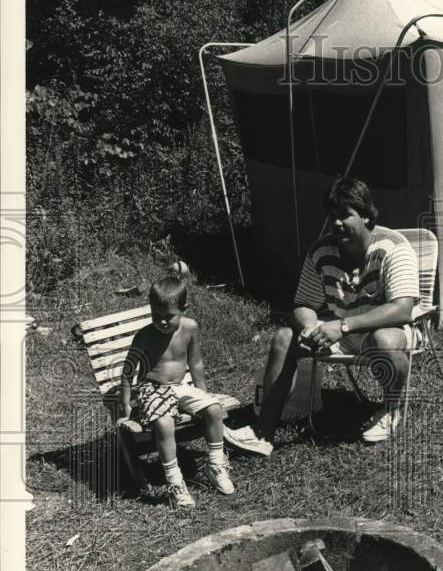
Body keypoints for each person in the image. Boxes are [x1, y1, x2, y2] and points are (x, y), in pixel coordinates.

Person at [236, 176, 420, 455]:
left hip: (386, 328)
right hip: (342, 329)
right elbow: (302, 304)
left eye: (345, 215)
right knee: (285, 337)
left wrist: (343, 326)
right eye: (332, 216)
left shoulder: (394, 248)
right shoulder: (322, 250)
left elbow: (402, 309)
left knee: (383, 341)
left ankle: (391, 409)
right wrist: (311, 328)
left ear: (367, 217)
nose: (336, 223)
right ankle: (263, 432)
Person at [119, 275, 235, 508]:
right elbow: (128, 370)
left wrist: (203, 393)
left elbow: (196, 363)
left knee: (213, 410)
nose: (162, 322)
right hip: (153, 389)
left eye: (168, 317)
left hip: (182, 387)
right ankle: (175, 483)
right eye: (156, 316)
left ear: (184, 309)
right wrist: (126, 405)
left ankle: (215, 466)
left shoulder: (190, 328)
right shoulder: (144, 336)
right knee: (164, 423)